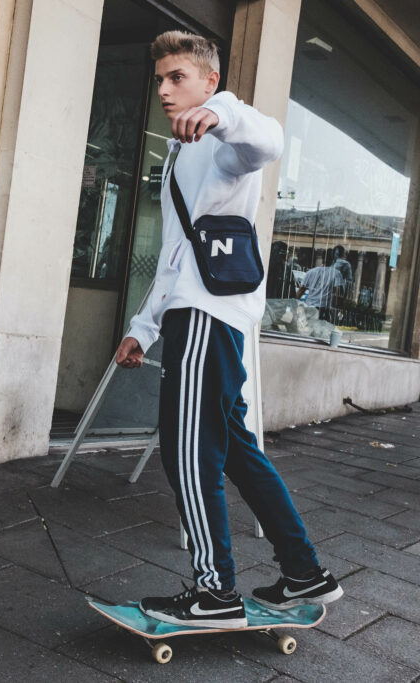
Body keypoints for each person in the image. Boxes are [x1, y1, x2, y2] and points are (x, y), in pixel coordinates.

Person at [113, 31, 343, 628]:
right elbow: (174, 253)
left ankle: (214, 592)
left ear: (209, 80)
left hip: (208, 317)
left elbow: (269, 139)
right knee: (236, 449)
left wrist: (218, 115)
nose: (164, 89)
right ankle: (304, 573)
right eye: (160, 78)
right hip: (201, 311)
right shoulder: (180, 156)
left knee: (186, 450)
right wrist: (144, 326)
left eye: (178, 77)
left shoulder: (223, 136)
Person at [296, 251, 346, 322]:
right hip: (324, 310)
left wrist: (293, 304)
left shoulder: (311, 272)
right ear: (334, 260)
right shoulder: (336, 273)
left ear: (322, 258)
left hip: (309, 308)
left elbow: (301, 290)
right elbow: (340, 294)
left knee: (307, 330)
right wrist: (341, 308)